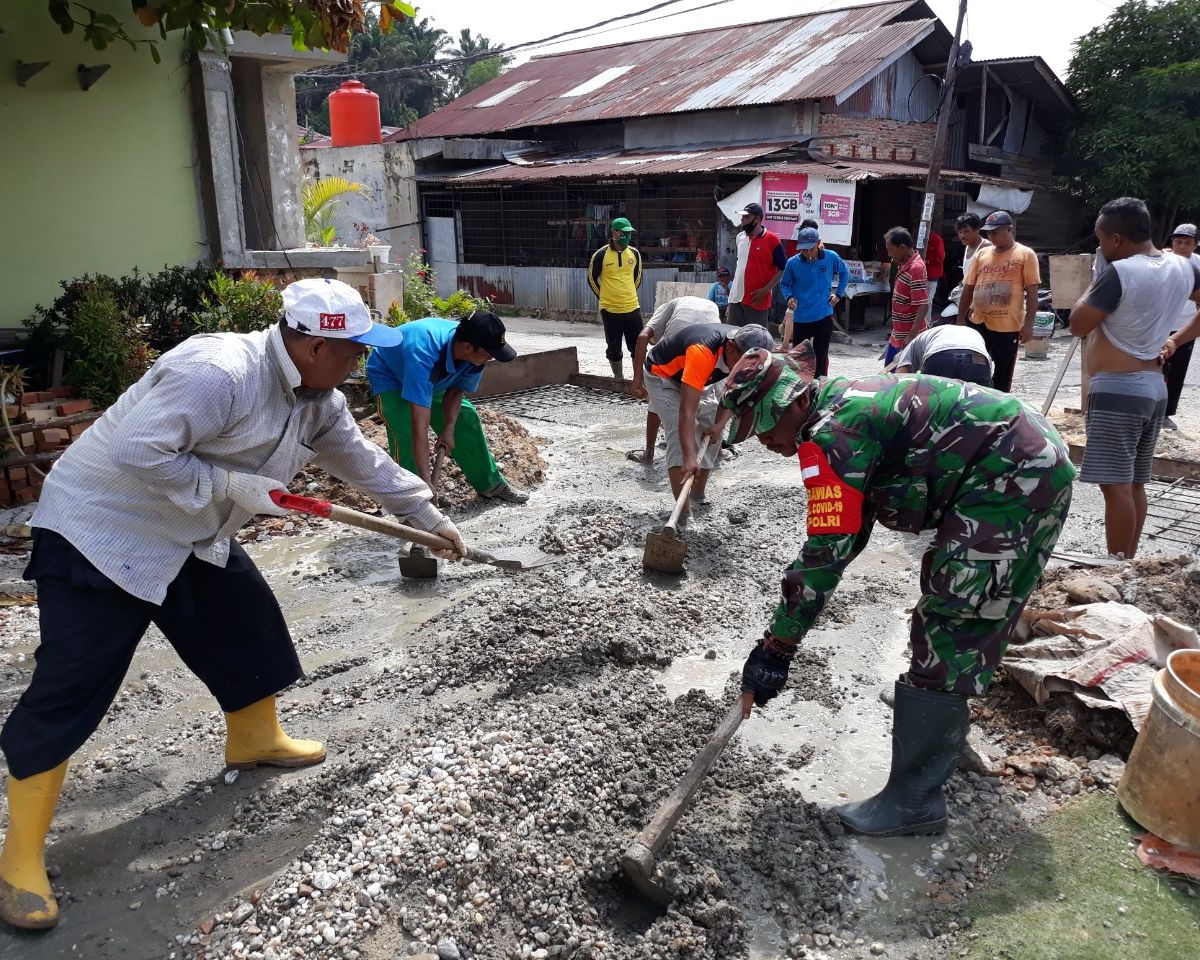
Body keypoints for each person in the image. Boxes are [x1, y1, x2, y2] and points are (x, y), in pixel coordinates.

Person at [0, 279, 468, 931]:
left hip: (192, 529)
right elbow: (138, 450)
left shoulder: (318, 400)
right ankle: (19, 856)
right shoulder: (218, 373)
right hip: (102, 530)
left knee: (246, 625)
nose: (360, 360)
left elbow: (363, 463)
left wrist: (427, 515)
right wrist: (229, 483)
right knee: (71, 682)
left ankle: (254, 739)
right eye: (352, 349)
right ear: (312, 346)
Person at [719, 343, 1074, 837]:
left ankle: (914, 803)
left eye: (764, 423)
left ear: (797, 400)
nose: (762, 439)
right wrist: (781, 642)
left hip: (1015, 473)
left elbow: (826, 551)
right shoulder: (832, 411)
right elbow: (850, 528)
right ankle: (937, 735)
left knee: (954, 617)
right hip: (1005, 460)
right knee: (950, 602)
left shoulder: (836, 434)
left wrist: (777, 647)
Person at [1070, 198, 1200, 559]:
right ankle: (1128, 563)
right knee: (1135, 483)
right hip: (1153, 388)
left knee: (1115, 486)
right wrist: (1176, 339)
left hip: (1118, 389)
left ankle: (1117, 564)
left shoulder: (1120, 272)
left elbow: (1078, 324)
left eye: (1100, 240)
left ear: (1115, 239)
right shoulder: (1182, 266)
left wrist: (1097, 276)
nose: (1100, 246)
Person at [366, 311, 529, 504]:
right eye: (488, 354)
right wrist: (427, 483)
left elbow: (455, 391)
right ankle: (414, 498)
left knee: (465, 418)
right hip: (390, 374)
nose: (490, 359)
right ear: (468, 347)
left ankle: (490, 485)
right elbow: (420, 428)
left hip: (430, 375)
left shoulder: (474, 353)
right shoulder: (423, 355)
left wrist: (449, 428)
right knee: (406, 430)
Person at [643, 323, 773, 507]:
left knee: (712, 428)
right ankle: (683, 514)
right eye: (743, 362)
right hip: (663, 373)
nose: (746, 369)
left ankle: (697, 495)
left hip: (700, 375)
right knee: (679, 435)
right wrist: (689, 457)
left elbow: (733, 395)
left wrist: (719, 425)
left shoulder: (752, 358)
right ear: (730, 346)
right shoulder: (702, 352)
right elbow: (687, 412)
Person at [627, 296, 721, 464]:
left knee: (658, 396)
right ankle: (717, 452)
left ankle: (649, 454)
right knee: (712, 400)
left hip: (682, 350)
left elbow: (642, 338)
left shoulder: (667, 306)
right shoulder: (710, 306)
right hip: (709, 351)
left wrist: (637, 381)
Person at [958, 211, 1040, 393]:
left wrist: (1029, 324)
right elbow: (969, 287)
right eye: (989, 233)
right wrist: (961, 319)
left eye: (995, 232)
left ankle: (999, 405)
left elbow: (1032, 292)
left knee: (1003, 373)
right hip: (978, 321)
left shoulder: (1025, 254)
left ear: (1009, 230)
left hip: (1007, 325)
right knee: (975, 368)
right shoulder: (982, 254)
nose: (991, 236)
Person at [779, 226, 849, 376]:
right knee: (799, 359)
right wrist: (789, 297)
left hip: (824, 315)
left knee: (820, 357)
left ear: (818, 243)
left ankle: (819, 385)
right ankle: (800, 386)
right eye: (803, 249)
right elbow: (784, 284)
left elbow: (844, 272)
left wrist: (839, 294)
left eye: (810, 249)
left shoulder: (831, 257)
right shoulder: (792, 263)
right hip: (801, 318)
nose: (807, 253)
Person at [587, 216, 643, 379]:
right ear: (614, 233)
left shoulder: (634, 254)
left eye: (629, 233)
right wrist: (604, 297)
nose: (627, 236)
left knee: (638, 347)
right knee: (613, 348)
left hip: (632, 307)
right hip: (610, 310)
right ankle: (618, 378)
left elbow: (638, 278)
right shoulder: (600, 255)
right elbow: (591, 279)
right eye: (624, 233)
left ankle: (638, 380)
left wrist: (627, 293)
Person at [1162, 223, 1200, 428]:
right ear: (1172, 242)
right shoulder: (1161, 260)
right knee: (1154, 367)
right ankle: (1148, 411)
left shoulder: (1198, 264)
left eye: (1187, 242)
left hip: (1186, 327)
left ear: (1196, 244)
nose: (1182, 246)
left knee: (1177, 370)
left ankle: (1166, 413)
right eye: (1178, 242)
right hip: (1160, 324)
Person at [726, 202, 786, 328]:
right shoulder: (740, 238)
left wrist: (766, 290)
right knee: (733, 336)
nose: (742, 220)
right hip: (735, 298)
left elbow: (782, 268)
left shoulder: (772, 240)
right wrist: (730, 300)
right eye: (742, 217)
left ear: (757, 219)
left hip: (757, 300)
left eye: (746, 217)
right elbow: (740, 266)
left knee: (756, 337)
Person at [883, 227, 929, 367]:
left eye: (891, 250)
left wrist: (911, 336)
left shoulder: (915, 268)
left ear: (902, 248)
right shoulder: (903, 264)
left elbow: (923, 305)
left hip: (909, 338)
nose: (889, 254)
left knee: (900, 377)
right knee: (889, 373)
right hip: (898, 334)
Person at [894, 324, 993, 387]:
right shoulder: (930, 335)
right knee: (978, 406)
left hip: (940, 355)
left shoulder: (912, 345)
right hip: (977, 357)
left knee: (935, 406)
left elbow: (901, 375)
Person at [925, 228, 947, 311]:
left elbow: (941, 257)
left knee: (928, 300)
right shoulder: (921, 238)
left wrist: (927, 261)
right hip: (922, 272)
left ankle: (927, 319)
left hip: (932, 273)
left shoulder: (936, 239)